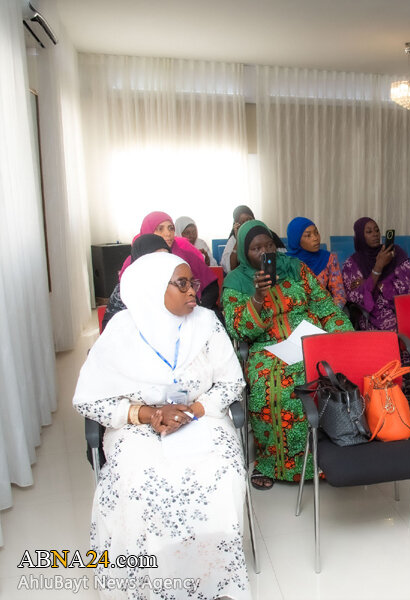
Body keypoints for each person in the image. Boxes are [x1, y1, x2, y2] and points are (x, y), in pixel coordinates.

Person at [74, 252, 249, 598]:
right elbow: (90, 400)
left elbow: (231, 382)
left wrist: (193, 409)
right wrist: (147, 414)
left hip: (201, 417)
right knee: (141, 481)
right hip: (136, 426)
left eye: (193, 283)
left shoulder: (206, 323)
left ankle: (211, 577)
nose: (193, 291)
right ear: (154, 288)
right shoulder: (121, 332)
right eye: (182, 284)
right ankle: (154, 582)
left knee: (221, 471)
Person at [223, 220, 353, 489]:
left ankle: (331, 457)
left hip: (308, 338)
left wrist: (344, 337)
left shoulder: (296, 268)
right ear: (245, 252)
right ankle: (274, 463)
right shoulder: (236, 282)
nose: (265, 252)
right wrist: (258, 296)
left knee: (334, 372)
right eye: (256, 248)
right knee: (277, 389)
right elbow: (240, 331)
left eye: (269, 245)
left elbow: (324, 305)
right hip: (265, 347)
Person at [120, 211, 219, 310]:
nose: (168, 233)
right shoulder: (133, 262)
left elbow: (211, 286)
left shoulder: (187, 256)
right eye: (160, 229)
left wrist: (198, 310)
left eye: (171, 228)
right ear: (148, 231)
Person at [341, 217, 410, 331]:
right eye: (369, 232)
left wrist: (378, 285)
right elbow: (356, 297)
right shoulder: (351, 264)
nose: (375, 234)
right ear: (361, 236)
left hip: (402, 306)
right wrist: (379, 265)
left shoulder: (395, 253)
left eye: (377, 230)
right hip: (373, 314)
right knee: (396, 328)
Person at [102, 234, 170, 330]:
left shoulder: (176, 284)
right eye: (155, 257)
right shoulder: (124, 290)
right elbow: (111, 330)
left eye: (166, 256)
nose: (163, 262)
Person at [286, 216, 346, 309]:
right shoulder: (286, 262)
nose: (315, 238)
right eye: (308, 235)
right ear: (296, 239)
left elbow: (339, 293)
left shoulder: (328, 258)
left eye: (316, 233)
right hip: (296, 312)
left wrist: (333, 312)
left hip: (324, 310)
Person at [221, 205, 255, 274]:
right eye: (243, 222)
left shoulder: (263, 234)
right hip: (242, 276)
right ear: (237, 225)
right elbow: (229, 268)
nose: (247, 224)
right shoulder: (234, 239)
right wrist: (238, 240)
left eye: (249, 220)